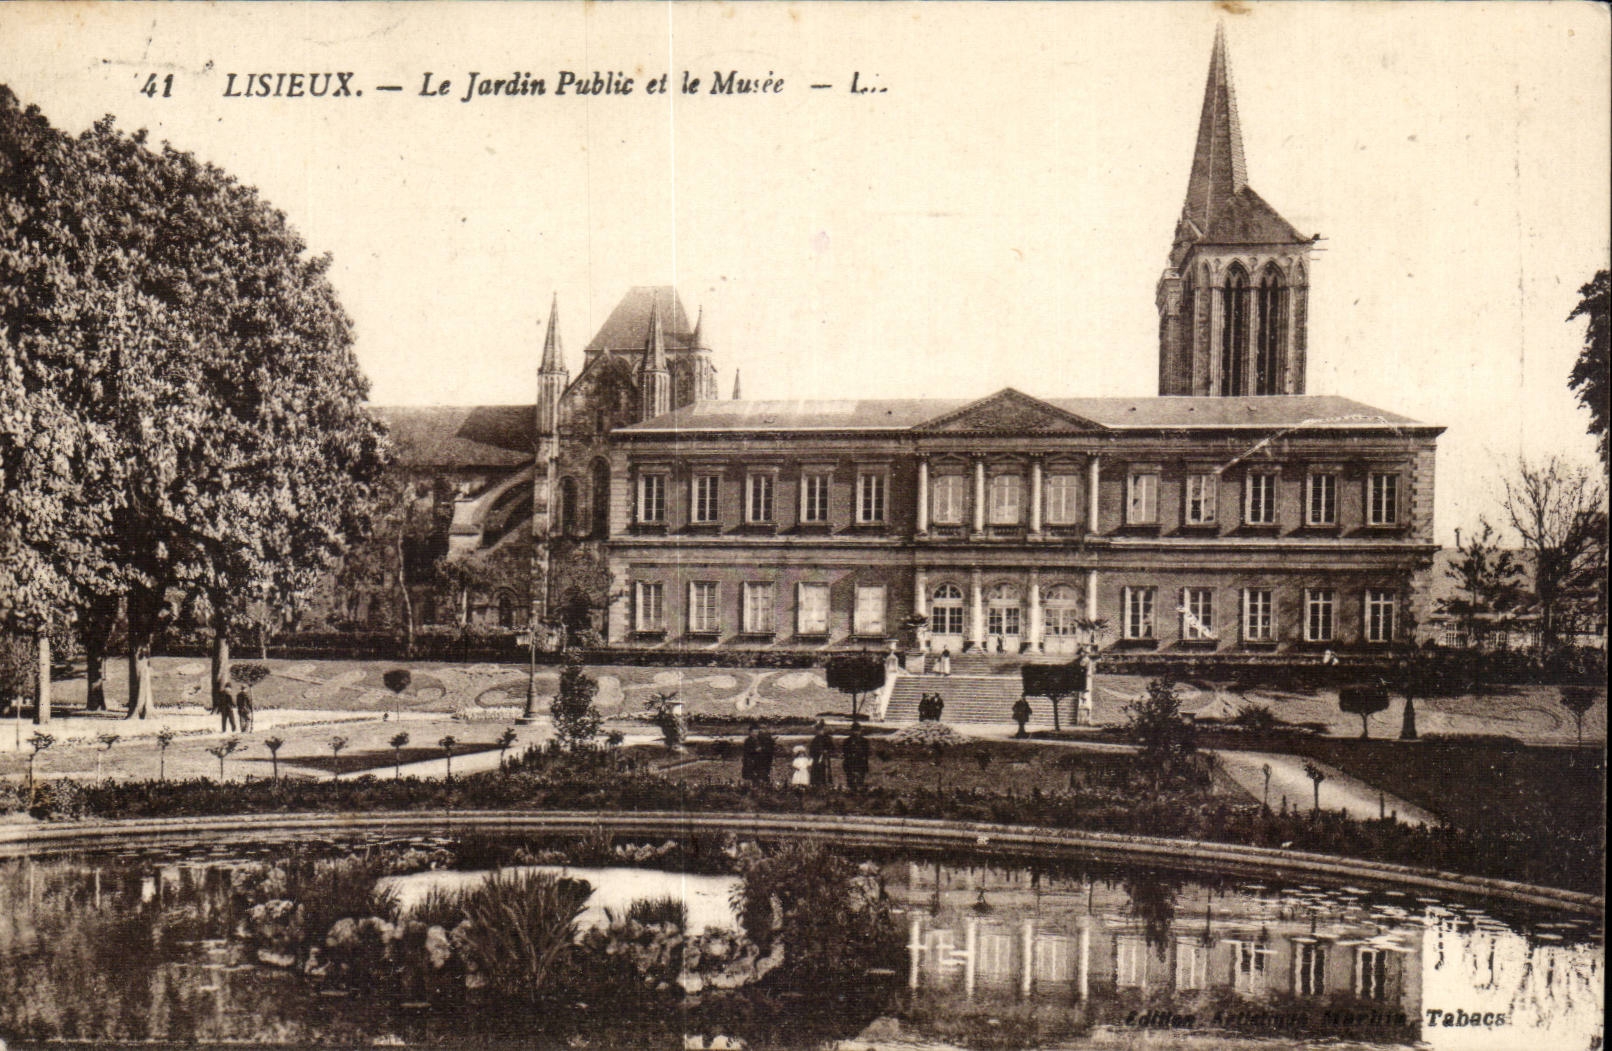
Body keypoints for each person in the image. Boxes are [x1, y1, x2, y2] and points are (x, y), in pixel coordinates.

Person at [842, 719, 870, 791]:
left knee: (860, 780)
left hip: (861, 763)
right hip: (850, 763)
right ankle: (851, 790)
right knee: (850, 781)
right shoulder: (847, 741)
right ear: (851, 731)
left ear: (860, 731)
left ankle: (859, 789)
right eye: (854, 731)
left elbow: (867, 753)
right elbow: (845, 752)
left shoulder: (864, 741)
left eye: (857, 731)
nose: (856, 733)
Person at [808, 719, 835, 788]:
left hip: (825, 758)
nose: (819, 731)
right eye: (818, 730)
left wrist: (827, 751)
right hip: (816, 759)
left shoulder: (827, 738)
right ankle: (816, 785)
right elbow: (811, 750)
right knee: (816, 771)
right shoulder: (815, 739)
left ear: (823, 729)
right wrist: (814, 755)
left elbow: (832, 748)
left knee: (825, 771)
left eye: (821, 730)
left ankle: (826, 784)